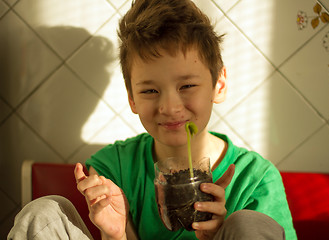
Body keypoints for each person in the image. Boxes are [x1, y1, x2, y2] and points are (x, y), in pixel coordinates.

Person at [8, 0, 297, 239]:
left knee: (247, 223)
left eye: (186, 86)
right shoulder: (113, 171)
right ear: (132, 98)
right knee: (45, 212)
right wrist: (117, 234)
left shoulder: (256, 180)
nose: (170, 107)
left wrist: (221, 235)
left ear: (218, 85)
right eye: (150, 90)